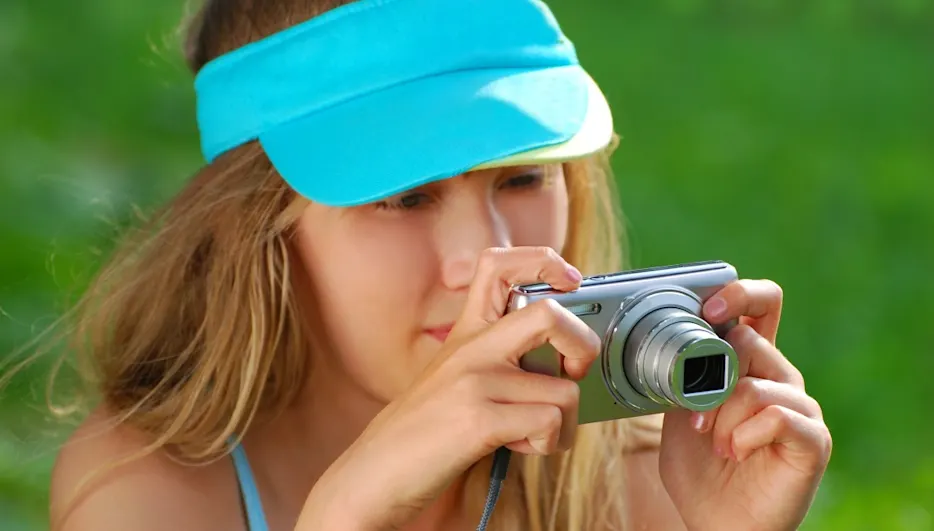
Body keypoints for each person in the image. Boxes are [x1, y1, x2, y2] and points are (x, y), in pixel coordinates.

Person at [43, 0, 832, 529]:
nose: (482, 256)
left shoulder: (645, 479)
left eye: (523, 176)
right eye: (403, 196)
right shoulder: (150, 490)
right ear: (259, 226)